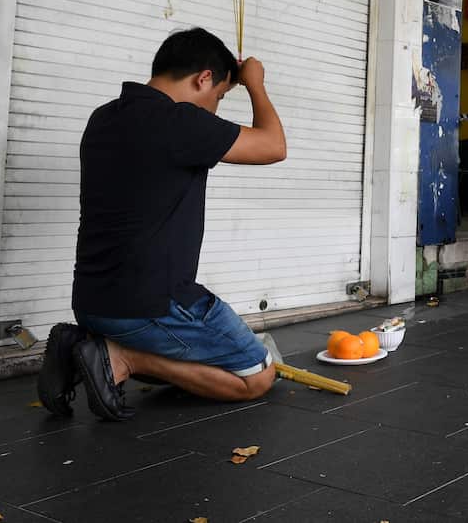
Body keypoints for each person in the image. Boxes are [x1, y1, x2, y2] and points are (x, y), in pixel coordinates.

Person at [36, 28, 287, 421]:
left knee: (200, 364)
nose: (215, 110)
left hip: (93, 302)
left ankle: (83, 344)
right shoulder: (179, 122)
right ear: (203, 78)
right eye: (219, 97)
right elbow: (274, 146)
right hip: (151, 307)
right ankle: (123, 358)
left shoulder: (103, 118)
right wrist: (255, 84)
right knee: (256, 374)